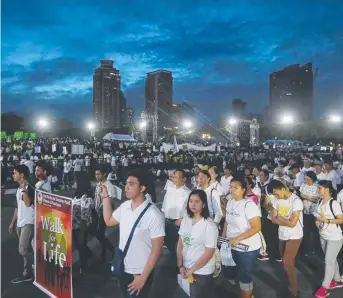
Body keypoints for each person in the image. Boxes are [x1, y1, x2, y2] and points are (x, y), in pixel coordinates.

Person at [102, 169, 165, 298]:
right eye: (126, 183)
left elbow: (156, 250)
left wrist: (143, 278)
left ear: (142, 188)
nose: (126, 186)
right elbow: (108, 221)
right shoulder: (125, 206)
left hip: (140, 272)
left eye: (131, 183)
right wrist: (105, 197)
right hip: (123, 268)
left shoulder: (154, 215)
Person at [222, 178, 262, 298]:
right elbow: (227, 221)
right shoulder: (230, 202)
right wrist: (224, 237)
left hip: (247, 248)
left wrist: (237, 239)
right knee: (237, 271)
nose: (232, 190)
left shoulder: (249, 205)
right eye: (231, 187)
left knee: (245, 275)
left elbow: (256, 228)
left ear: (244, 190)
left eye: (236, 187)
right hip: (233, 244)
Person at [177, 189, 218, 298]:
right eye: (191, 201)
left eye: (197, 201)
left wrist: (192, 270)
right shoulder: (185, 220)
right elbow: (180, 244)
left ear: (203, 204)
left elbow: (209, 253)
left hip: (201, 272)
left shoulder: (209, 225)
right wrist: (180, 265)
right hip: (186, 267)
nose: (193, 204)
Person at [267, 179, 304, 298]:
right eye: (273, 194)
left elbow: (293, 223)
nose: (275, 196)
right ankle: (289, 286)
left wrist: (280, 218)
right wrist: (284, 220)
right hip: (282, 234)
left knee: (287, 264)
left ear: (282, 189)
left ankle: (293, 291)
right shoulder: (277, 200)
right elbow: (273, 219)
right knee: (285, 264)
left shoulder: (296, 201)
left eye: (275, 193)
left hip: (295, 235)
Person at [313, 180, 343, 298]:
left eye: (319, 188)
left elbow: (341, 219)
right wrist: (318, 222)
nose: (317, 190)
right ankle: (336, 280)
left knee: (328, 262)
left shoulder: (334, 203)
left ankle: (324, 287)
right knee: (332, 259)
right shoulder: (320, 201)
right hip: (323, 235)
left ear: (326, 189)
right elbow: (318, 216)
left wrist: (327, 221)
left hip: (334, 237)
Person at [9, 165, 35, 283]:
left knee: (22, 249)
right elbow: (17, 207)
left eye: (15, 173)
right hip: (20, 222)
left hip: (29, 222)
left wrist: (24, 189)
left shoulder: (29, 187)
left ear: (22, 175)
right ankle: (27, 273)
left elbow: (28, 203)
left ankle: (38, 265)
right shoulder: (18, 189)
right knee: (27, 249)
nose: (13, 175)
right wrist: (13, 222)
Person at [162, 169, 191, 269]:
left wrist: (182, 220)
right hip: (167, 220)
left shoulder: (187, 193)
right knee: (168, 242)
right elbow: (165, 202)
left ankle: (181, 266)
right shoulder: (170, 188)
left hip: (178, 223)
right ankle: (175, 263)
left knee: (179, 246)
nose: (175, 179)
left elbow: (190, 210)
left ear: (184, 179)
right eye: (174, 177)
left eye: (177, 177)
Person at [72, 173, 94, 274]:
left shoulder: (86, 198)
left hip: (81, 226)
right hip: (73, 225)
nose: (74, 184)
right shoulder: (76, 195)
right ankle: (89, 255)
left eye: (75, 182)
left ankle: (84, 267)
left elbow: (84, 217)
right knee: (78, 245)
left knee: (81, 245)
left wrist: (81, 230)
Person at [93, 166, 115, 262]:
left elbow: (111, 200)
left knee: (99, 234)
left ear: (104, 174)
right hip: (97, 210)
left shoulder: (109, 186)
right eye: (95, 174)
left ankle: (112, 251)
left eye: (98, 174)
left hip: (104, 211)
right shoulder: (98, 185)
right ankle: (104, 254)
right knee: (100, 233)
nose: (96, 176)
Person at [299, 171, 320, 256]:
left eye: (307, 178)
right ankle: (305, 249)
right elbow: (300, 194)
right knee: (305, 231)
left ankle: (314, 248)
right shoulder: (303, 185)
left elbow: (317, 199)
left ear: (312, 178)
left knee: (314, 231)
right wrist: (308, 198)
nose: (305, 179)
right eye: (305, 178)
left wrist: (306, 197)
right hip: (304, 211)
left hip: (314, 212)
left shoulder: (317, 187)